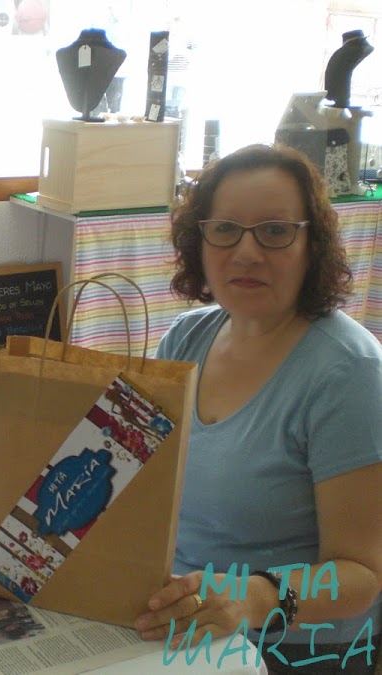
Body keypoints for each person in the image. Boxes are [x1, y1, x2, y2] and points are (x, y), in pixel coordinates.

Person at [132, 144, 382, 674]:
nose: (246, 252)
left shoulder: (348, 372)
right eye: (225, 229)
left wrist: (254, 598)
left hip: (294, 647)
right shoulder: (184, 339)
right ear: (199, 241)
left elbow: (362, 576)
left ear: (312, 245)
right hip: (181, 619)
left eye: (274, 231)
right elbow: (142, 483)